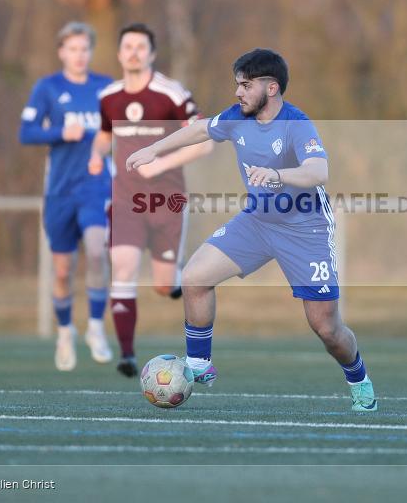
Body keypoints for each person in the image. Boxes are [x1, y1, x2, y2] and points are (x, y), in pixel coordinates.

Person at [124, 48, 378, 412]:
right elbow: (199, 129)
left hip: (305, 229)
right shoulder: (237, 117)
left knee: (326, 328)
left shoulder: (296, 123)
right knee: (195, 277)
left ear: (271, 88)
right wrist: (155, 149)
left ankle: (359, 380)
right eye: (237, 85)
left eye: (245, 85)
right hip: (258, 221)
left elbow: (318, 172)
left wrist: (277, 175)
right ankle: (199, 364)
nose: (238, 93)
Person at [88, 23, 212, 378]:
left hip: (166, 202)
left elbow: (205, 142)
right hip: (126, 201)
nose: (133, 52)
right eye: (127, 46)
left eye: (141, 47)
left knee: (162, 285)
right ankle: (127, 355)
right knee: (123, 267)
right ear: (119, 53)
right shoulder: (109, 97)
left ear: (152, 54)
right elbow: (103, 135)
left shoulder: (171, 94)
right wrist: (96, 155)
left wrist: (161, 162)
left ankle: (173, 279)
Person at [19, 21, 114, 371]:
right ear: (61, 52)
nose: (79, 55)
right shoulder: (47, 88)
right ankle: (64, 332)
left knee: (97, 250)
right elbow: (26, 132)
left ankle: (96, 328)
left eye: (85, 49)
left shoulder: (105, 87)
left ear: (91, 51)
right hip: (59, 191)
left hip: (96, 187)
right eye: (73, 49)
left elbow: (121, 129)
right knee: (62, 271)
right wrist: (61, 131)